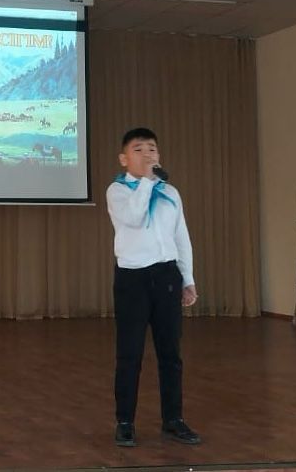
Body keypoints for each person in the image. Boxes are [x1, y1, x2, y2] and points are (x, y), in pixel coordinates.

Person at [106, 127, 201, 447]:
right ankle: (125, 422)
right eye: (138, 149)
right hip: (132, 278)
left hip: (166, 276)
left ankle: (173, 419)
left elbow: (181, 237)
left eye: (152, 149)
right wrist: (147, 181)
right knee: (130, 354)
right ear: (124, 159)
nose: (147, 154)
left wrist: (187, 278)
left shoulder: (170, 192)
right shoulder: (117, 191)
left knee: (171, 353)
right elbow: (134, 217)